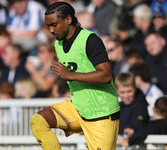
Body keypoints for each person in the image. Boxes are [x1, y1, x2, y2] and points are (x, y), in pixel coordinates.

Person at [29, 2, 120, 150]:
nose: (51, 30)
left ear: (68, 19)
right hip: (78, 108)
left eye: (54, 25)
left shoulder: (91, 40)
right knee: (38, 121)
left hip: (102, 114)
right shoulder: (58, 44)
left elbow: (106, 76)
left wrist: (70, 75)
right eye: (48, 26)